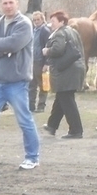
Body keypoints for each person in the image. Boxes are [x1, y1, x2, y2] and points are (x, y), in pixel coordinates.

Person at [0, 0, 40, 170]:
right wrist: (2, 49)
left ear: (17, 4)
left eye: (11, 2)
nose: (8, 6)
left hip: (17, 82)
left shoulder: (24, 24)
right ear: (1, 5)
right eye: (4, 3)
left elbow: (14, 44)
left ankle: (32, 157)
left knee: (24, 120)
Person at [41, 11, 86, 139]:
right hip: (76, 68)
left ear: (62, 22)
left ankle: (76, 130)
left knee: (67, 100)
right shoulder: (73, 31)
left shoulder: (60, 33)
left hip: (66, 71)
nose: (51, 25)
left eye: (53, 21)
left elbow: (58, 49)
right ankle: (52, 125)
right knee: (62, 98)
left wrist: (47, 51)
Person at [29, 11, 51, 113]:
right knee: (31, 85)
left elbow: (48, 47)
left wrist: (46, 63)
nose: (36, 21)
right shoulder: (33, 31)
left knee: (43, 85)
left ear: (42, 19)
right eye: (35, 20)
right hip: (32, 61)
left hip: (41, 62)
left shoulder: (45, 31)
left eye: (38, 19)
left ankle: (41, 106)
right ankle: (31, 106)